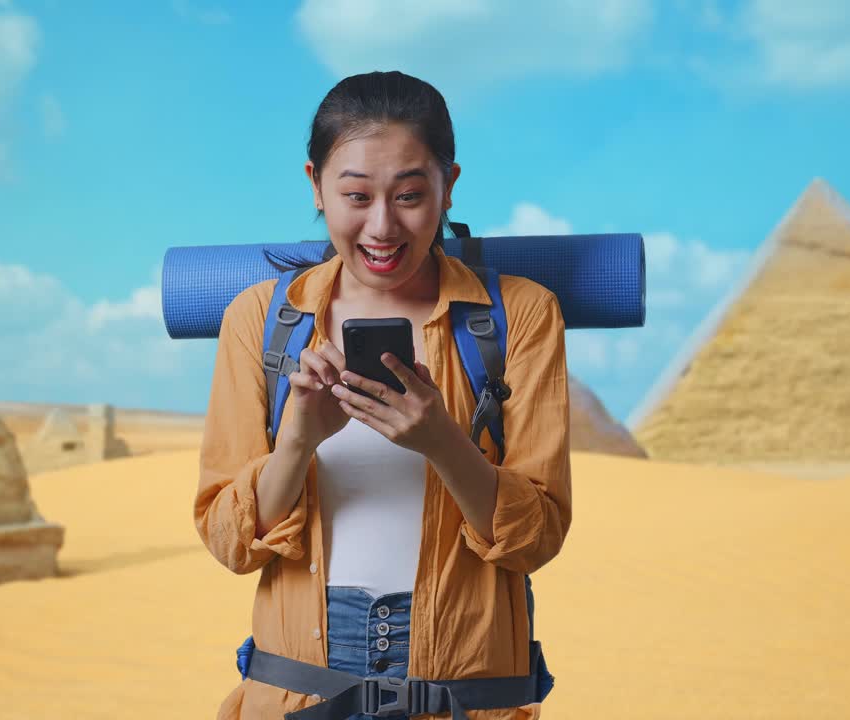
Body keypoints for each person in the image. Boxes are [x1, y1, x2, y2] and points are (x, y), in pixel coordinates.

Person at [196, 70, 572, 719]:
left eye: (408, 195)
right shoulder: (260, 319)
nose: (381, 226)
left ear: (449, 186)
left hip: (465, 683)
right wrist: (298, 441)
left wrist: (442, 441)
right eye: (355, 195)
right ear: (314, 184)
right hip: (296, 686)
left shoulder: (522, 314)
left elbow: (536, 538)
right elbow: (229, 542)